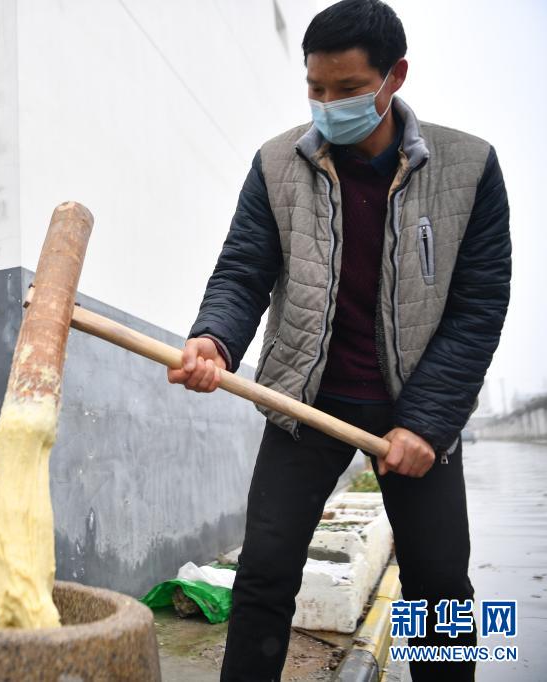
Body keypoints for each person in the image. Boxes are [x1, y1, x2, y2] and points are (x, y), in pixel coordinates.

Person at [167, 1, 511, 679]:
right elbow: (243, 270)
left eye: (348, 89)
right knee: (264, 574)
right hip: (306, 403)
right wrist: (214, 339)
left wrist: (427, 422)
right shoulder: (276, 165)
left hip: (415, 409)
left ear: (394, 76)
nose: (328, 106)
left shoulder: (469, 168)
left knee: (439, 586)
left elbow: (478, 307)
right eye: (315, 88)